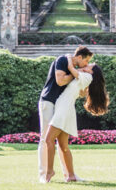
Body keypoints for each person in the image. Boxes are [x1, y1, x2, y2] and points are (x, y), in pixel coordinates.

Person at [44, 62, 109, 182]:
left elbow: (71, 68)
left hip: (64, 109)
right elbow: (81, 92)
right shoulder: (85, 77)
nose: (86, 64)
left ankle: (49, 171)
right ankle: (71, 175)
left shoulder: (87, 76)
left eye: (90, 65)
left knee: (48, 140)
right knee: (63, 146)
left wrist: (69, 58)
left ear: (92, 71)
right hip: (65, 108)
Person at [38, 46, 93, 183]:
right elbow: (60, 81)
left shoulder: (75, 70)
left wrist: (80, 76)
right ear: (79, 57)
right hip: (48, 101)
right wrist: (75, 72)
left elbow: (79, 92)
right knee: (46, 138)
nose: (86, 64)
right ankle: (44, 174)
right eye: (86, 61)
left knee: (61, 143)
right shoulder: (63, 60)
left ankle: (69, 174)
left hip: (60, 106)